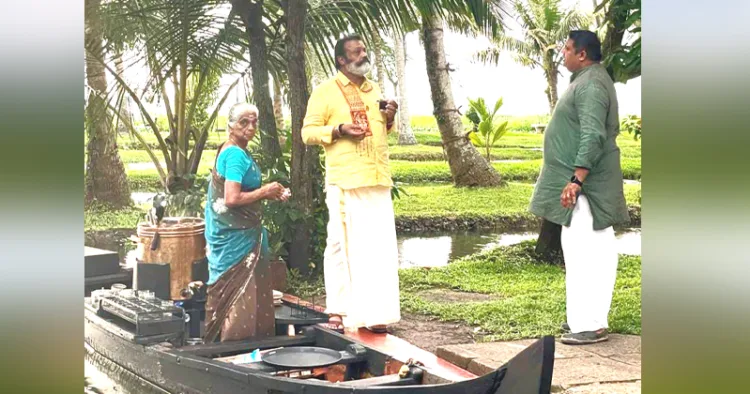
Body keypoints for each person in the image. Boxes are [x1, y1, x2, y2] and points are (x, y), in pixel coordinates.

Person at [529, 30, 630, 345]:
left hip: (588, 188)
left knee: (588, 253)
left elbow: (593, 135)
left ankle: (591, 323)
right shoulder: (588, 80)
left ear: (582, 54)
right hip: (584, 186)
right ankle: (583, 320)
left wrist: (576, 179)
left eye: (568, 49)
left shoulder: (591, 84)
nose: (563, 54)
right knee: (581, 251)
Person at [302, 34, 401, 333]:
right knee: (339, 244)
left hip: (377, 177)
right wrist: (339, 130)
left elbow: (382, 129)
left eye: (364, 50)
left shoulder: (375, 90)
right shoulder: (325, 92)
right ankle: (339, 310)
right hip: (345, 180)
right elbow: (307, 132)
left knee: (378, 248)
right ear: (341, 60)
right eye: (356, 52)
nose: (363, 55)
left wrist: (390, 117)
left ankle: (375, 315)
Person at [203, 102, 290, 343]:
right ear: (230, 125)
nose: (250, 128)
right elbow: (231, 198)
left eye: (254, 122)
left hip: (240, 230)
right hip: (235, 235)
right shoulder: (235, 155)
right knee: (238, 288)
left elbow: (242, 192)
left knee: (244, 287)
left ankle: (239, 342)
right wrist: (265, 191)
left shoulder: (232, 149)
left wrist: (272, 193)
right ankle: (235, 345)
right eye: (244, 122)